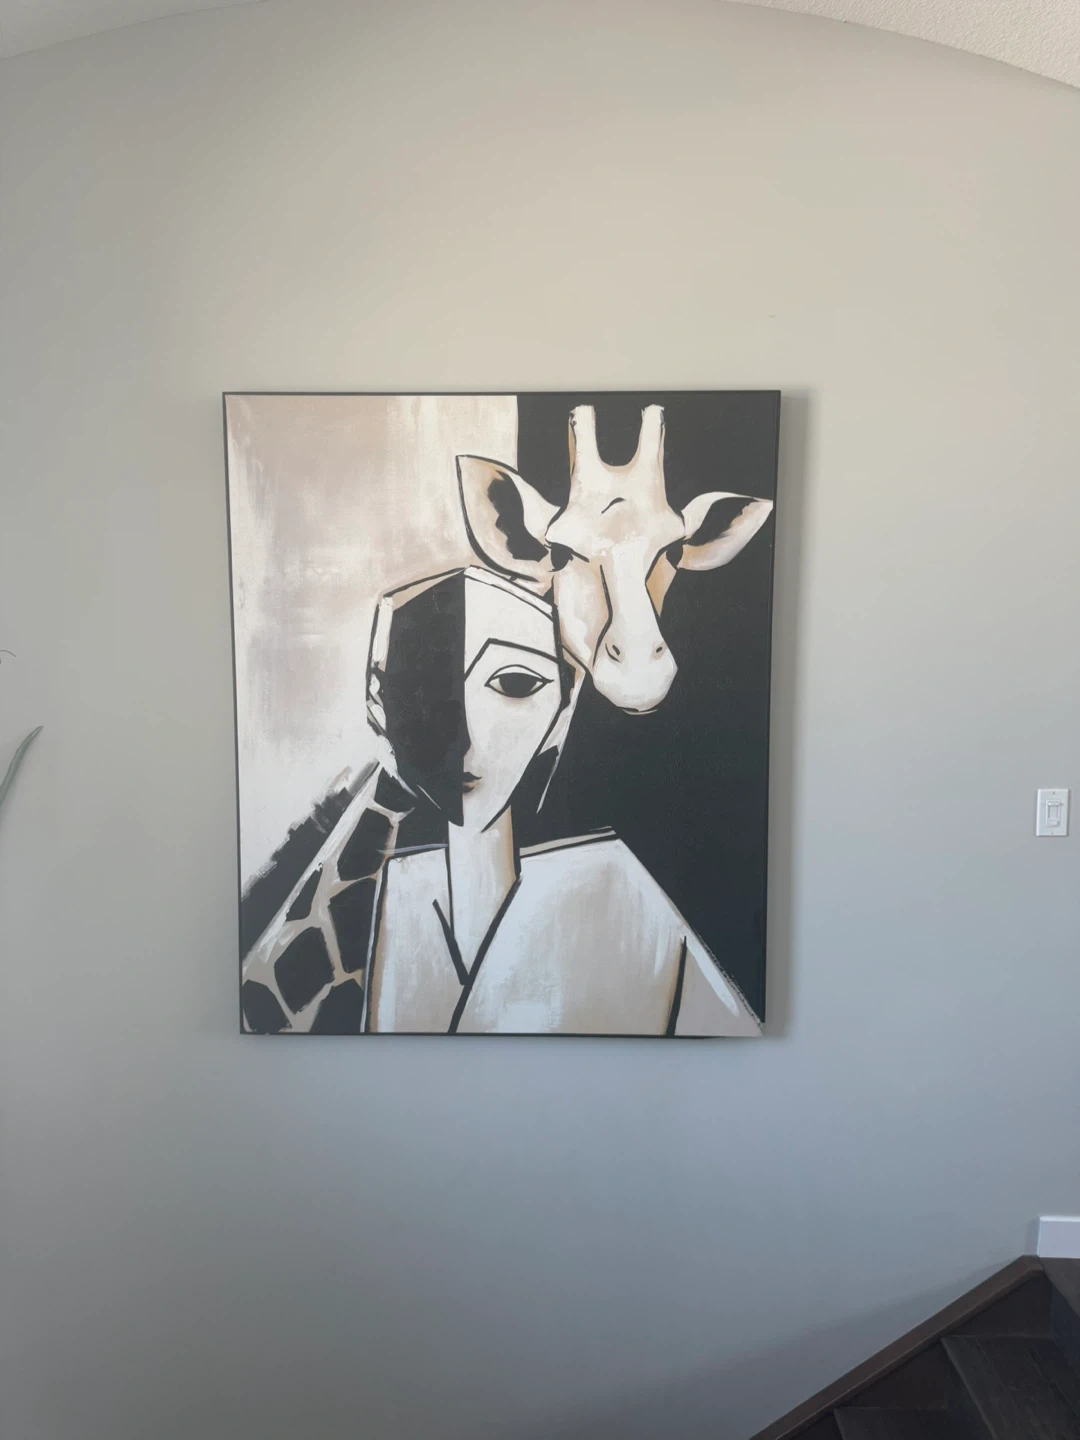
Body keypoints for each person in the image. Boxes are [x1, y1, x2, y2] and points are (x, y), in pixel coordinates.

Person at [364, 566, 759, 1037]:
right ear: (378, 705)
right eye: (422, 688)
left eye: (515, 684)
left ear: (563, 707)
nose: (463, 738)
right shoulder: (403, 891)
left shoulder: (624, 895)